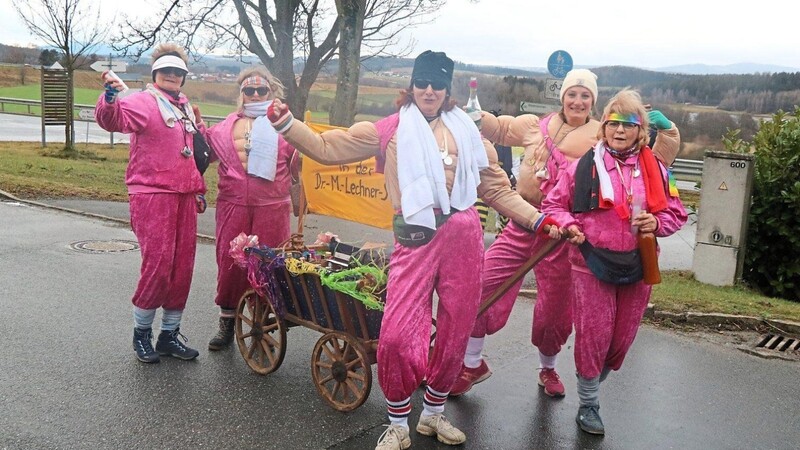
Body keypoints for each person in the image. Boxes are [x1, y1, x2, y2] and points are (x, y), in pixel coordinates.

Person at [265, 50, 559, 450]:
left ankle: (434, 415)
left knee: (456, 328)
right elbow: (328, 148)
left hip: (464, 235)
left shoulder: (469, 133)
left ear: (447, 89)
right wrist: (287, 124)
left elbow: (495, 191)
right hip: (416, 234)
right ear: (412, 86)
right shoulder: (389, 130)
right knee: (400, 333)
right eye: (422, 82)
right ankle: (399, 422)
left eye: (438, 84)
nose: (429, 90)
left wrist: (540, 221)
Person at [451, 69, 680, 399]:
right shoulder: (535, 125)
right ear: (562, 97)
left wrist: (668, 130)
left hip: (561, 236)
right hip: (523, 222)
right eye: (572, 93)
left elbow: (651, 162)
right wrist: (465, 113)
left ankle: (548, 367)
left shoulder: (600, 139)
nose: (578, 100)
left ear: (593, 102)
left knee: (554, 312)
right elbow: (499, 127)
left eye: (585, 95)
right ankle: (472, 363)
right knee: (481, 285)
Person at [542, 88, 687, 435]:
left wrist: (657, 222)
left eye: (629, 124)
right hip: (590, 262)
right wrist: (569, 225)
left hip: (639, 263)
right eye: (613, 123)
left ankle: (590, 380)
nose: (619, 131)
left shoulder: (657, 169)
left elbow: (677, 213)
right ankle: (589, 404)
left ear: (641, 131)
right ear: (603, 127)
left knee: (620, 343)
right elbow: (553, 205)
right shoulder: (584, 166)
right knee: (593, 336)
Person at [95, 43, 206, 363]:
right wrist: (111, 97)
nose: (172, 76)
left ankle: (169, 335)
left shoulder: (185, 106)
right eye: (166, 71)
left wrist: (198, 187)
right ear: (156, 73)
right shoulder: (144, 102)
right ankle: (141, 335)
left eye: (178, 72)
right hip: (153, 195)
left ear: (183, 77)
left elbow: (192, 152)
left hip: (184, 196)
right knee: (157, 266)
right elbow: (113, 120)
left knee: (181, 268)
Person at [204, 67, 299, 351]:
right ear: (241, 94)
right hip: (233, 206)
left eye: (262, 91)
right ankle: (226, 323)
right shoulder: (221, 129)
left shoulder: (287, 128)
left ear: (272, 93)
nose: (255, 94)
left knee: (269, 267)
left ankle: (262, 325)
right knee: (230, 264)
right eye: (249, 90)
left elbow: (305, 163)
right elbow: (197, 155)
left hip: (273, 208)